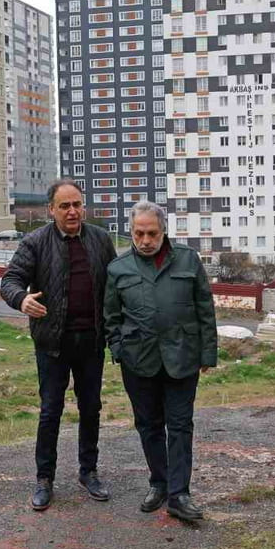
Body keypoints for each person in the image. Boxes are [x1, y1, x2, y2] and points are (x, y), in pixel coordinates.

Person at [0, 179, 117, 511]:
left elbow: (116, 283)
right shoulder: (35, 242)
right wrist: (21, 299)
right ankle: (44, 479)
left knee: (91, 408)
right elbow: (9, 281)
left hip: (92, 341)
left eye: (77, 204)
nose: (72, 211)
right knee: (51, 411)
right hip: (52, 343)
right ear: (50, 210)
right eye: (64, 206)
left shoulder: (100, 240)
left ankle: (89, 472)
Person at [103, 201, 217, 522]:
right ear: (131, 232)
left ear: (163, 231)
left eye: (152, 233)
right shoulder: (118, 268)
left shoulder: (188, 260)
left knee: (180, 426)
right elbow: (110, 317)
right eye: (139, 233)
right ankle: (159, 483)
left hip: (182, 358)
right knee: (149, 426)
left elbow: (204, 309)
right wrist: (118, 350)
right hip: (138, 361)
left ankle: (180, 494)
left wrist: (207, 354)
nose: (145, 240)